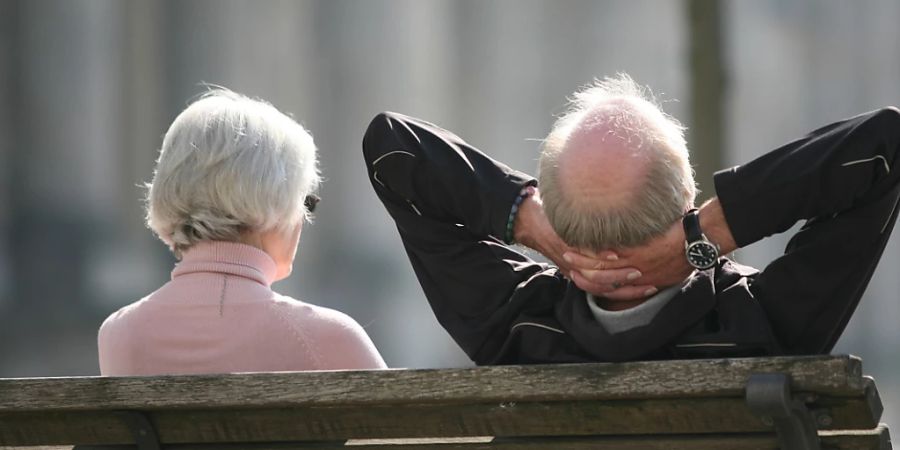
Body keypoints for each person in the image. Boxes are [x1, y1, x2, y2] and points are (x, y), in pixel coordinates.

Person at [362, 74, 900, 365]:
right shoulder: (766, 323)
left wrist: (531, 227)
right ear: (687, 195)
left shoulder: (513, 325)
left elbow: (394, 152)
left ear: (561, 218)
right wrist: (704, 238)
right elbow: (886, 147)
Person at [98, 89, 386, 375]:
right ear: (277, 200)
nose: (303, 219)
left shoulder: (119, 333)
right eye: (305, 202)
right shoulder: (328, 337)